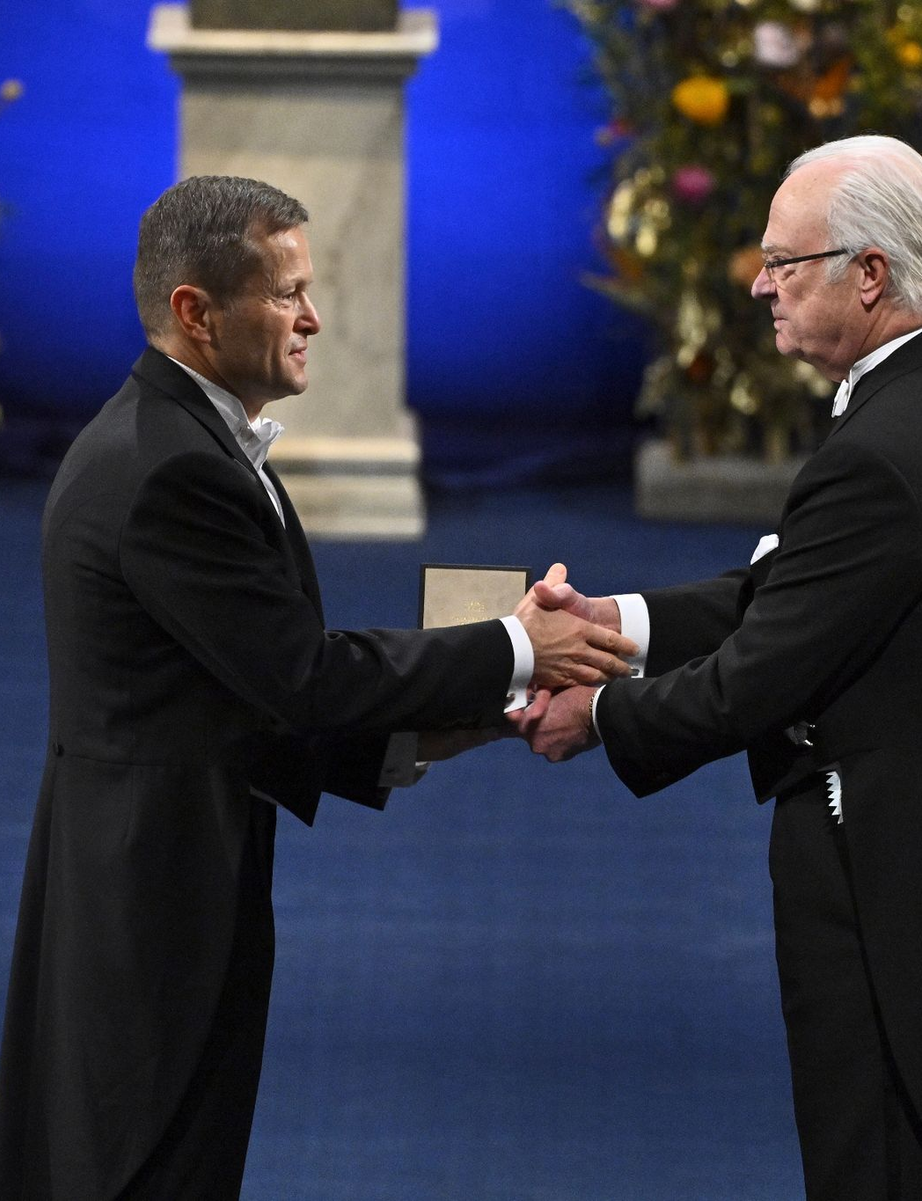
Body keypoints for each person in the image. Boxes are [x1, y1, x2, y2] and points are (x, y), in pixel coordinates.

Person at [0, 175, 636, 1201]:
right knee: (142, 1164)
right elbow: (300, 673)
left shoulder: (188, 438)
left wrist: (456, 723)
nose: (315, 317)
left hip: (167, 873)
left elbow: (238, 685)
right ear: (195, 313)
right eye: (286, 293)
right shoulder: (173, 469)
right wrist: (516, 646)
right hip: (152, 903)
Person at [515, 136, 922, 1199]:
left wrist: (594, 712)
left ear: (869, 274)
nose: (760, 284)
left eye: (784, 260)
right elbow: (806, 590)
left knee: (893, 1162)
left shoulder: (890, 449)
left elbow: (759, 673)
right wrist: (613, 623)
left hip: (906, 893)